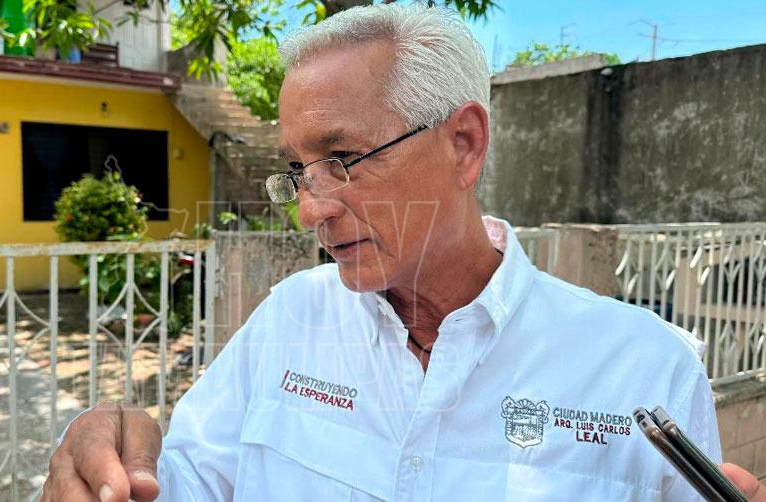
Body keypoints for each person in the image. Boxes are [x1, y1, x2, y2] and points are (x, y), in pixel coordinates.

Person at [41, 5, 765, 501]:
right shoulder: (289, 319)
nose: (311, 207)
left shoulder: (643, 368)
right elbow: (192, 482)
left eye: (344, 158)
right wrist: (118, 456)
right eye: (297, 170)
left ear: (464, 144)